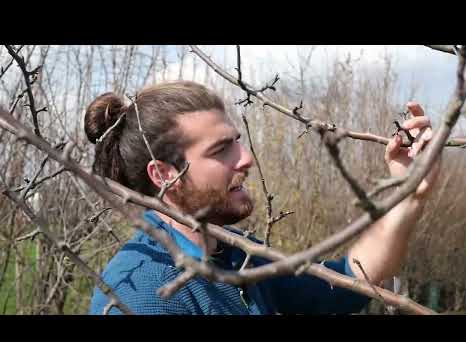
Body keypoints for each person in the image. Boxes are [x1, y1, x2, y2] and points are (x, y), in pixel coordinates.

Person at [87, 81, 440, 315]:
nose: (245, 158)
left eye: (237, 141)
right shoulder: (140, 294)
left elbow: (348, 281)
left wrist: (408, 192)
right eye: (222, 149)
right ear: (164, 175)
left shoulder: (236, 255)